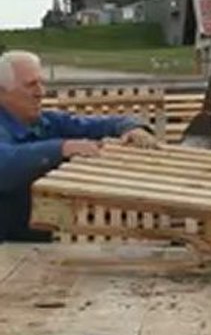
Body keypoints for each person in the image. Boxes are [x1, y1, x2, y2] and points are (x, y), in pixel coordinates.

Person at [0, 50, 159, 243]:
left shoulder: (46, 123)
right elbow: (5, 165)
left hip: (29, 243)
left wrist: (131, 128)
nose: (41, 92)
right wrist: (61, 148)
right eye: (31, 85)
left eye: (42, 83)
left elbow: (94, 125)